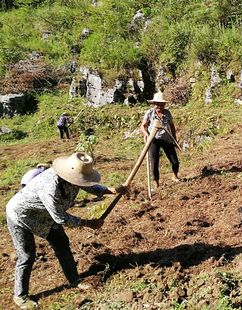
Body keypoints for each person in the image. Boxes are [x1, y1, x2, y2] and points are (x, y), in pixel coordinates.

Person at [6, 152, 127, 309]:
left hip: (46, 216)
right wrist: (88, 223)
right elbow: (61, 218)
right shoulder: (49, 187)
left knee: (62, 242)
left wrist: (111, 190)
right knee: (27, 255)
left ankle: (74, 280)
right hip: (21, 216)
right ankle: (20, 295)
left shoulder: (73, 177)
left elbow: (87, 184)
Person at [140, 91, 180, 187]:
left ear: (164, 104)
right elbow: (143, 126)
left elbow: (172, 126)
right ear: (154, 104)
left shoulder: (167, 113)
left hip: (166, 138)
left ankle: (175, 176)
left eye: (161, 104)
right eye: (157, 104)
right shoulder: (149, 113)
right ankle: (156, 182)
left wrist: (174, 138)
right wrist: (146, 134)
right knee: (154, 161)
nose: (159, 106)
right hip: (153, 139)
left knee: (174, 161)